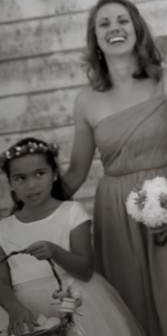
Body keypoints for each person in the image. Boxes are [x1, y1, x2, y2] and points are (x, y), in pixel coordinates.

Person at [61, 0, 167, 336]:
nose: (114, 28)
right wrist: (30, 195)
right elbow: (75, 172)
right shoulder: (86, 101)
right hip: (117, 215)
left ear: (136, 29)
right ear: (95, 39)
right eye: (104, 23)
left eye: (122, 20)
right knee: (130, 309)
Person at [0, 137, 145, 336]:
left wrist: (56, 252)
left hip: (76, 300)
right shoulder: (4, 228)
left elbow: (85, 270)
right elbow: (1, 282)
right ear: (9, 182)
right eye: (20, 178)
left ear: (53, 174)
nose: (31, 185)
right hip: (26, 311)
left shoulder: (71, 212)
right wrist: (13, 307)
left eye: (40, 174)